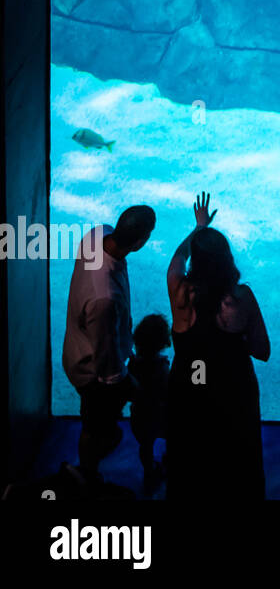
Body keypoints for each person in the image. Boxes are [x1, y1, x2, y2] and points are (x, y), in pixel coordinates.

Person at [165, 192, 270, 500]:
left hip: (190, 388)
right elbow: (262, 351)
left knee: (191, 458)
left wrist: (198, 229)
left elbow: (177, 259)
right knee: (237, 460)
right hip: (233, 389)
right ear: (227, 260)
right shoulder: (242, 298)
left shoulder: (179, 290)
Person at [62, 204, 156, 482]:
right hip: (91, 371)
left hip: (78, 348)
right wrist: (131, 386)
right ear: (140, 242)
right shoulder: (105, 298)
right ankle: (85, 477)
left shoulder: (97, 235)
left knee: (97, 423)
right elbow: (108, 365)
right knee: (100, 427)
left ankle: (87, 466)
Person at [126, 313, 171, 494]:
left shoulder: (133, 365)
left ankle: (149, 472)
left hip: (140, 418)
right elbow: (168, 394)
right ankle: (168, 464)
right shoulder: (162, 368)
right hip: (161, 418)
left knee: (146, 446)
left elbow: (129, 391)